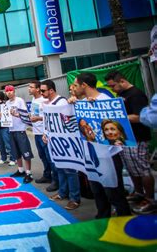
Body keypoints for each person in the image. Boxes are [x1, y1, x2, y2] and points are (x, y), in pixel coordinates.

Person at [72, 72, 131, 218]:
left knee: (114, 191)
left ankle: (125, 220)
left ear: (84, 85)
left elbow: (117, 125)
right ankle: (103, 217)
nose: (73, 88)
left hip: (108, 155)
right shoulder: (81, 103)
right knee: (97, 191)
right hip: (92, 155)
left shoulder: (105, 100)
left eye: (75, 85)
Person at [105, 70, 156, 214]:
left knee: (143, 168)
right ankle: (139, 193)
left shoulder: (136, 95)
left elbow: (140, 117)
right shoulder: (121, 94)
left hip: (138, 137)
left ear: (122, 81)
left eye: (113, 86)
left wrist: (120, 116)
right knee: (131, 168)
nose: (113, 89)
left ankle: (150, 199)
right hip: (125, 138)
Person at [41, 80, 80, 210]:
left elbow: (69, 121)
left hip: (65, 141)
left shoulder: (62, 102)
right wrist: (45, 133)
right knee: (59, 167)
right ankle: (63, 192)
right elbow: (48, 121)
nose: (41, 93)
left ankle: (74, 198)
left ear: (51, 90)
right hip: (53, 141)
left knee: (70, 170)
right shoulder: (48, 103)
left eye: (43, 91)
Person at [4, 85, 34, 184]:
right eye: (7, 91)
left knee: (25, 152)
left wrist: (17, 114)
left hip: (20, 129)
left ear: (14, 91)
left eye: (10, 91)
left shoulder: (19, 101)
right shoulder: (6, 103)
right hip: (11, 130)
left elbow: (26, 114)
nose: (9, 93)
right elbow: (6, 115)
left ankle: (28, 173)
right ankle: (20, 170)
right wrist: (2, 115)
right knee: (16, 152)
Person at [28, 81, 51, 185]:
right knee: (42, 156)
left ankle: (55, 179)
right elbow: (35, 113)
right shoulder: (34, 99)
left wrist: (38, 118)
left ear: (37, 89)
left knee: (49, 156)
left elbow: (49, 115)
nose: (29, 89)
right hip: (36, 133)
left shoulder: (44, 100)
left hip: (44, 133)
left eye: (31, 87)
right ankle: (47, 175)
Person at [0, 91, 15, 166]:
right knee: (1, 144)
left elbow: (8, 115)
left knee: (8, 143)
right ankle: (3, 158)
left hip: (5, 127)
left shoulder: (5, 104)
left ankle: (13, 158)